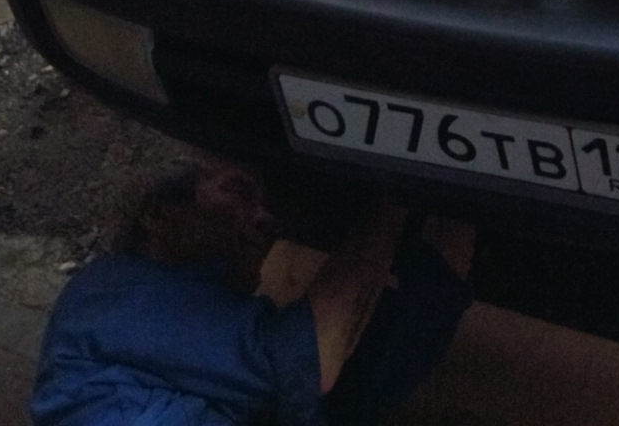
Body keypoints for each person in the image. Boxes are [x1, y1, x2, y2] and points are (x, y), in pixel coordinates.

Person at [32, 161, 473, 426]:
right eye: (238, 192)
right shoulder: (112, 292)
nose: (264, 220)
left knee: (380, 358)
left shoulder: (189, 335)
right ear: (158, 215)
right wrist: (394, 189)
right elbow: (305, 357)